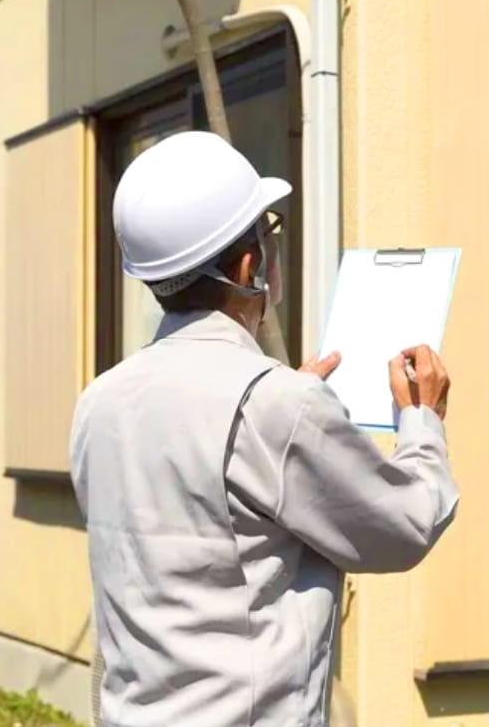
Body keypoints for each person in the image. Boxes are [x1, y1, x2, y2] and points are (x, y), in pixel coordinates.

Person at [69, 131, 458, 727]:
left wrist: (287, 406)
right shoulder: (273, 407)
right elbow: (404, 525)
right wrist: (421, 419)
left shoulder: (100, 401)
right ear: (251, 266)